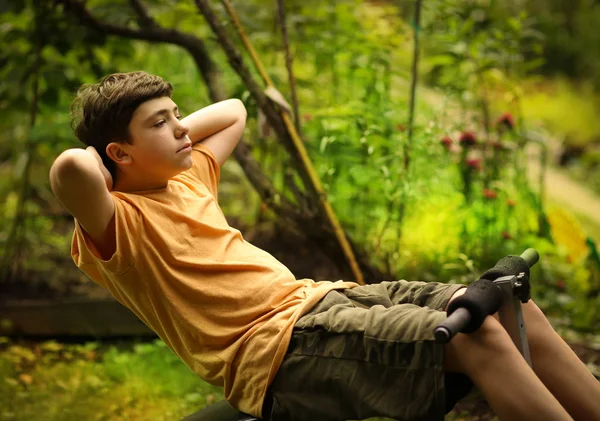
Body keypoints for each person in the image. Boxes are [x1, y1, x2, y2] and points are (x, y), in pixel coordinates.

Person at [49, 71, 600, 421]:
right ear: (118, 154)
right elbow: (72, 167)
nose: (181, 130)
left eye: (176, 117)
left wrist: (160, 133)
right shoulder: (116, 224)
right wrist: (114, 157)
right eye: (160, 124)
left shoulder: (189, 179)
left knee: (502, 302)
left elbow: (235, 108)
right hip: (278, 351)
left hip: (324, 301)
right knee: (474, 334)